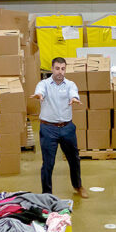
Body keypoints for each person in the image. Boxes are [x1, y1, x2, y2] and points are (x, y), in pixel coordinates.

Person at [32, 57, 88, 198]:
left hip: (67, 128)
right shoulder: (44, 84)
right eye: (57, 68)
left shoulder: (70, 84)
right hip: (48, 128)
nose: (60, 72)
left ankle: (78, 186)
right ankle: (47, 194)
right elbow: (40, 91)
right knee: (48, 163)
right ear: (52, 69)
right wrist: (39, 95)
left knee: (74, 159)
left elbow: (73, 93)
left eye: (63, 69)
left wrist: (74, 98)